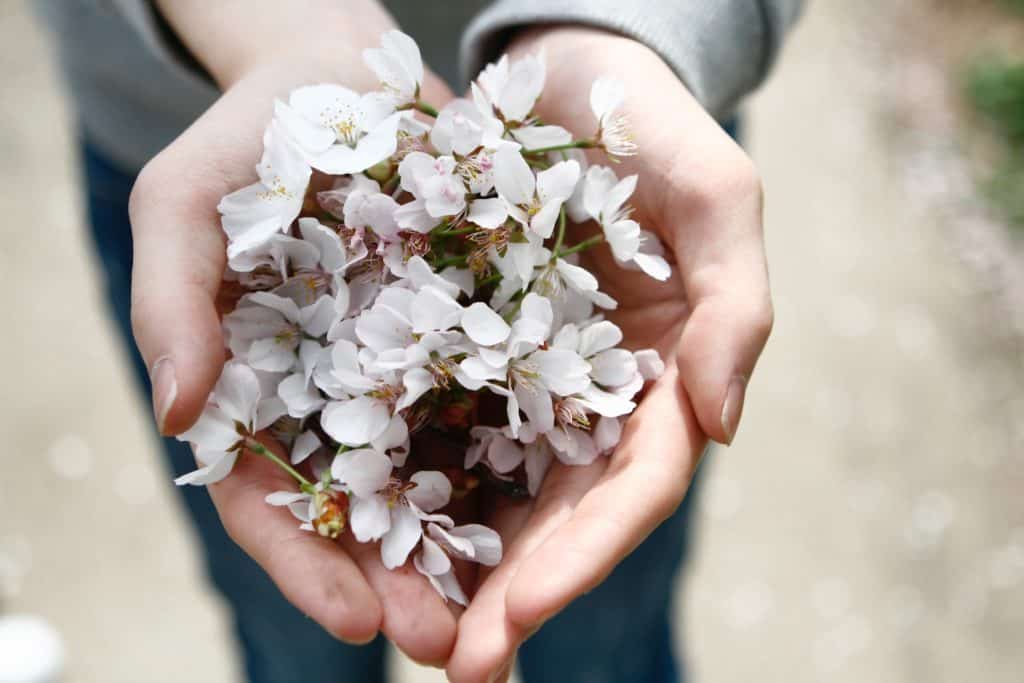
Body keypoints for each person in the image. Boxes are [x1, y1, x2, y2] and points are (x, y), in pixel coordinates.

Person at [34, 1, 801, 681]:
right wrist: (287, 26)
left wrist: (640, 30)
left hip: (629, 82)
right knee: (298, 643)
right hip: (187, 130)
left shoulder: (558, 212)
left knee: (604, 644)